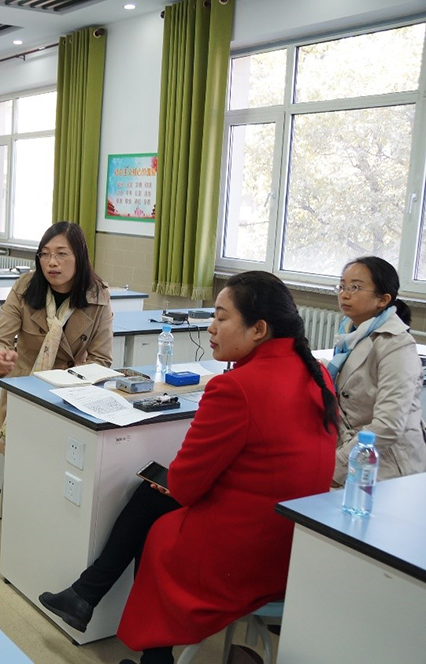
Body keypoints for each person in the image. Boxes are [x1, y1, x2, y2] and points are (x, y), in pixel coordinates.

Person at [38, 271, 338, 664]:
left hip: (245, 552)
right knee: (151, 496)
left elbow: (185, 486)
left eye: (221, 318)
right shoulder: (316, 375)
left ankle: (130, 634)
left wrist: (176, 481)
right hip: (293, 545)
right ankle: (86, 597)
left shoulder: (236, 387)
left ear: (259, 329)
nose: (210, 327)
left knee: (159, 524)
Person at [0, 221, 113, 453]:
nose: (52, 262)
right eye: (44, 254)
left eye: (61, 254)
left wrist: (69, 382)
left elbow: (101, 360)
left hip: (70, 397)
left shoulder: (97, 296)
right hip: (26, 390)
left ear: (80, 257)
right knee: (20, 462)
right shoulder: (25, 288)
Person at [329, 256, 426, 485]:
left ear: (383, 299)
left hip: (389, 465)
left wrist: (339, 463)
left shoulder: (395, 344)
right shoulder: (351, 334)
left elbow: (388, 426)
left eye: (355, 287)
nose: (344, 294)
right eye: (342, 286)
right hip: (354, 452)